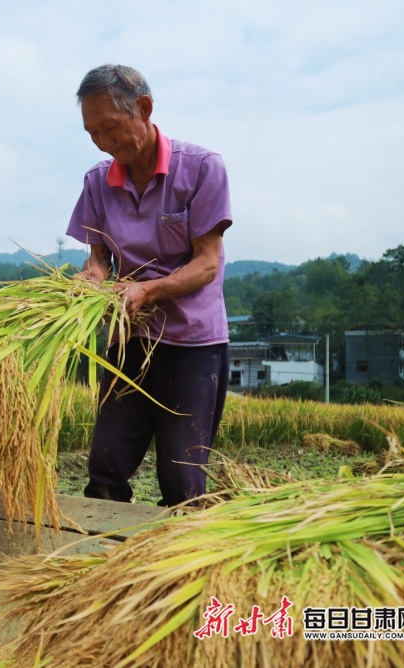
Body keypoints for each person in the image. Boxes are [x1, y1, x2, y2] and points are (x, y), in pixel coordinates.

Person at [67, 64, 233, 507]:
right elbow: (99, 260)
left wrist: (146, 291)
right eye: (92, 133)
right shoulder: (97, 183)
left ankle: (172, 569)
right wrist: (92, 280)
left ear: (144, 108)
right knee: (106, 467)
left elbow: (206, 265)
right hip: (130, 340)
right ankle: (96, 563)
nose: (104, 142)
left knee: (182, 483)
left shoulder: (201, 169)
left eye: (111, 127)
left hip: (191, 344)